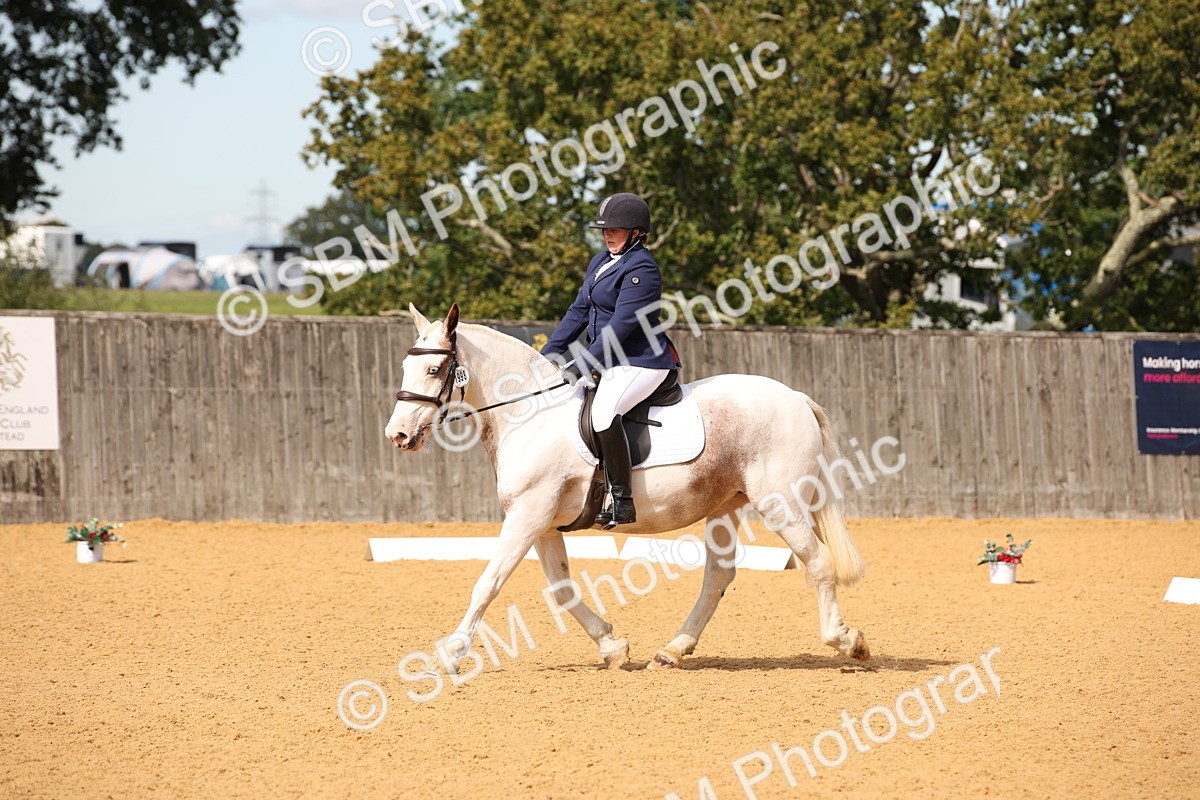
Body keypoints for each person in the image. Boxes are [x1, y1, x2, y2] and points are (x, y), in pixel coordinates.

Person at [541, 192, 680, 527]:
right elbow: (578, 312)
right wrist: (546, 358)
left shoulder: (643, 269)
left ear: (636, 233)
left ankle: (621, 500)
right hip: (609, 361)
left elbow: (621, 326)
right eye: (604, 229)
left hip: (642, 361)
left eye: (615, 228)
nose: (607, 234)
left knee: (603, 413)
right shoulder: (601, 261)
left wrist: (581, 364)